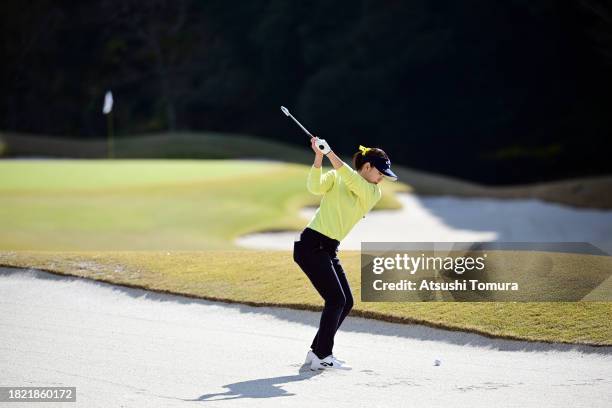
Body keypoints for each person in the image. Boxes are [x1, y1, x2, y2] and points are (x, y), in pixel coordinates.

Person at [293, 136, 398, 371]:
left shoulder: (372, 192)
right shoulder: (338, 177)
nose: (382, 178)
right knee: (336, 300)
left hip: (328, 249)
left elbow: (351, 179)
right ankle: (323, 355)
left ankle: (316, 351)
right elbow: (314, 187)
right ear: (367, 166)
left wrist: (331, 154)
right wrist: (320, 158)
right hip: (311, 245)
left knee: (346, 301)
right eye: (380, 172)